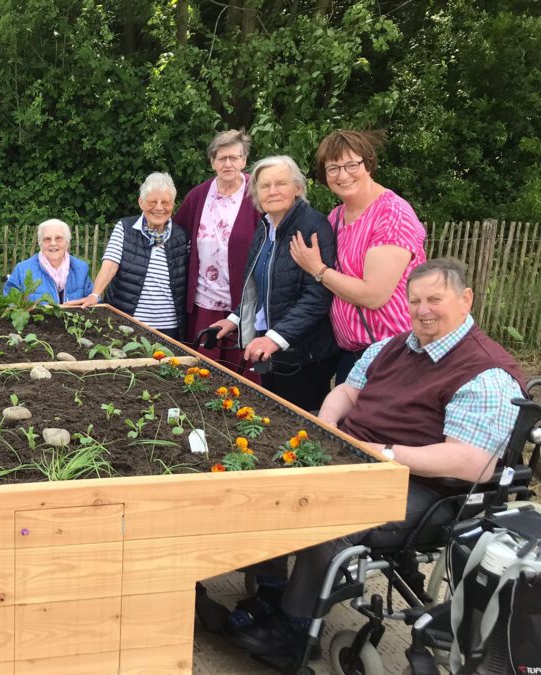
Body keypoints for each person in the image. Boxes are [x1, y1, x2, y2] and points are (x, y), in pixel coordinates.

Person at [228, 258, 526, 658]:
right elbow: (347, 392)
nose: (423, 310)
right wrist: (326, 425)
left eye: (434, 299)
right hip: (358, 454)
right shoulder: (394, 346)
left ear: (465, 299)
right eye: (415, 300)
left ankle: (296, 629)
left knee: (323, 511)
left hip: (422, 486)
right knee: (268, 471)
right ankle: (272, 588)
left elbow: (472, 462)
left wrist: (385, 455)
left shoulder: (484, 373)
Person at [290, 129, 426, 383]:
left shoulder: (391, 214)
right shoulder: (336, 217)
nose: (343, 175)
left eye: (351, 165)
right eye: (333, 169)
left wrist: (317, 269)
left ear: (368, 164)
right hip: (351, 354)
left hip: (392, 354)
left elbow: (373, 295)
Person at [208, 156, 338, 411]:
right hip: (271, 349)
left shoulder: (312, 226)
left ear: (297, 188)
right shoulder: (266, 227)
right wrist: (234, 319)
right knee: (272, 418)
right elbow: (258, 287)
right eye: (265, 186)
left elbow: (318, 296)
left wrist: (276, 338)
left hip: (303, 355)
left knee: (299, 423)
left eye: (281, 183)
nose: (273, 191)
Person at [172, 129, 261, 373]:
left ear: (244, 160)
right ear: (212, 162)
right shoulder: (198, 196)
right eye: (221, 158)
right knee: (203, 371)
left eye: (234, 157)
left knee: (241, 373)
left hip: (244, 305)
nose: (228, 163)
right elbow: (177, 235)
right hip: (205, 301)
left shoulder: (258, 193)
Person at [68, 172, 190, 340]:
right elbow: (110, 264)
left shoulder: (182, 236)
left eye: (165, 202)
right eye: (152, 202)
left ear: (173, 204)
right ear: (141, 202)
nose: (159, 208)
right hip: (128, 321)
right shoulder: (125, 228)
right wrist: (95, 294)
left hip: (169, 325)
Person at [3, 219, 93, 304]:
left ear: (67, 243)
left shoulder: (81, 269)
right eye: (47, 239)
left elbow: (93, 304)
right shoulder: (22, 270)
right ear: (40, 244)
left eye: (58, 238)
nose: (53, 243)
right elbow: (10, 304)